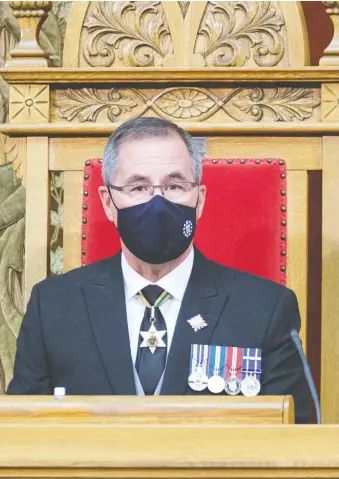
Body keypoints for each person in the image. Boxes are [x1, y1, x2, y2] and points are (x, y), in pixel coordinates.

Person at [7, 117, 312, 423]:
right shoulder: (54, 306)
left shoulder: (266, 308)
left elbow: (294, 438)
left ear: (200, 199)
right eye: (138, 187)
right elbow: (22, 433)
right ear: (108, 203)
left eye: (175, 186)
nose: (157, 202)